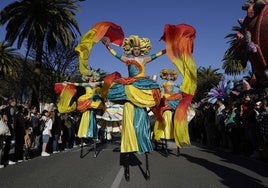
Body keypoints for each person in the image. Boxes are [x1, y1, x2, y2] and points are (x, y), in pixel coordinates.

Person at [102, 35, 166, 181]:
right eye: (134, 49)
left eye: (138, 49)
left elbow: (156, 56)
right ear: (132, 49)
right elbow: (116, 55)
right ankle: (128, 152)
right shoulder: (127, 59)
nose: (136, 51)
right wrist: (108, 46)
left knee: (141, 125)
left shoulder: (144, 59)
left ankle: (143, 144)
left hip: (142, 88)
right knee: (130, 123)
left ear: (141, 50)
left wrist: (166, 50)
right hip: (131, 88)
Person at [152, 68, 181, 155]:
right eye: (168, 75)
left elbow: (181, 87)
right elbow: (159, 89)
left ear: (173, 77)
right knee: (162, 109)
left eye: (171, 75)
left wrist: (186, 88)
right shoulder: (164, 83)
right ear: (165, 76)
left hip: (173, 99)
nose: (169, 77)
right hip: (166, 99)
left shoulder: (174, 83)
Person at [2, 98, 17, 165]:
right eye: (15, 101)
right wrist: (12, 126)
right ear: (12, 102)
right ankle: (6, 159)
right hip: (9, 128)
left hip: (4, 127)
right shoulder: (11, 108)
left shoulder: (5, 108)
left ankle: (4, 158)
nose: (16, 102)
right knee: (8, 144)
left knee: (5, 144)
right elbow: (11, 118)